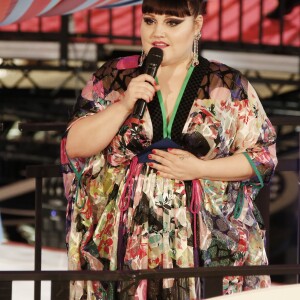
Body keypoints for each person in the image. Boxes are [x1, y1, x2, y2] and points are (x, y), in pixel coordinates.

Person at [61, 0, 277, 299]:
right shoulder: (115, 75)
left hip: (206, 239)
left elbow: (262, 156)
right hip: (122, 240)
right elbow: (75, 145)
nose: (157, 32)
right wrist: (124, 103)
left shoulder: (228, 83)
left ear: (197, 25)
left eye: (172, 22)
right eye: (150, 20)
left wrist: (201, 169)